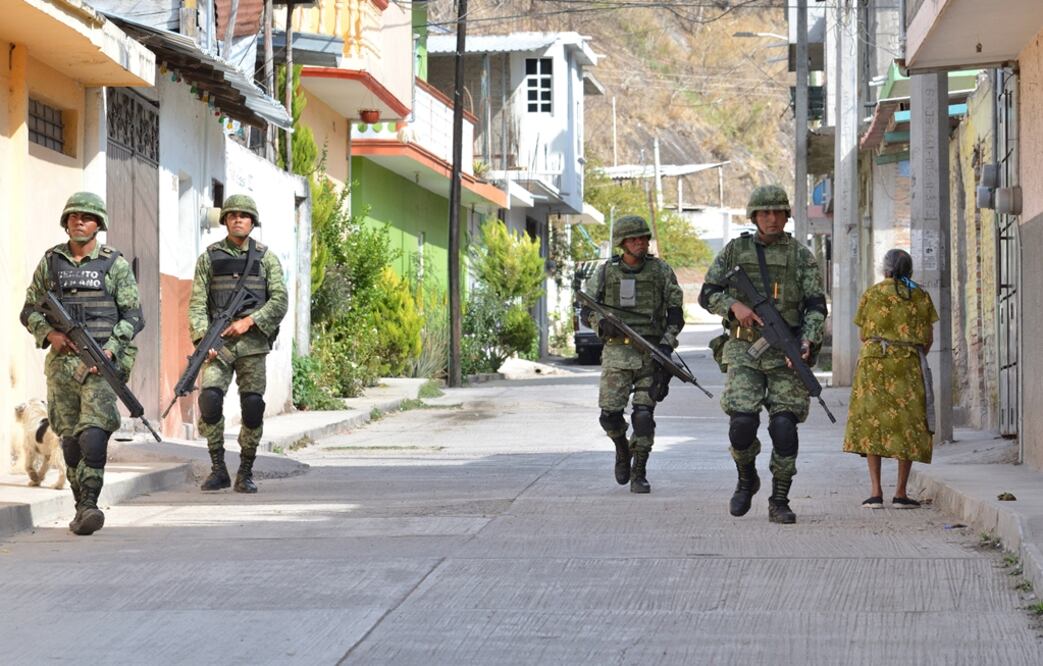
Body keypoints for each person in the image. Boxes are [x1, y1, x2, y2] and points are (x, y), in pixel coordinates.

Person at [698, 185, 827, 524]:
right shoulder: (734, 251)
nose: (771, 218)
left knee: (784, 427)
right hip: (744, 349)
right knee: (741, 422)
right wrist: (733, 306)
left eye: (778, 212)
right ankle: (746, 477)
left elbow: (816, 306)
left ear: (787, 216)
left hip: (786, 353)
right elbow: (707, 292)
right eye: (764, 212)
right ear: (754, 216)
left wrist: (807, 342)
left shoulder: (801, 256)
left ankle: (779, 498)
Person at [20, 192, 144, 535]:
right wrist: (50, 335)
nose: (79, 221)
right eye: (73, 216)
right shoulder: (51, 263)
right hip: (62, 367)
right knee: (71, 441)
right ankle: (80, 505)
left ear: (98, 225)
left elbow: (134, 316)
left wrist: (110, 349)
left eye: (86, 217)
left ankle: (90, 504)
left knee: (93, 435)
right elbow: (28, 310)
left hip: (100, 365)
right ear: (66, 221)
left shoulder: (114, 264)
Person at [189, 194, 287, 493]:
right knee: (210, 400)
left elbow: (280, 299)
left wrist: (250, 321)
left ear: (252, 221)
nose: (238, 219)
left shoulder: (266, 258)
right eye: (232, 215)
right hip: (219, 344)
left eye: (244, 215)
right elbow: (196, 305)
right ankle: (218, 467)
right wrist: (205, 340)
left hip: (253, 344)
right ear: (225, 221)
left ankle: (245, 471)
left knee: (253, 405)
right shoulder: (209, 257)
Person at [583, 215, 684, 494]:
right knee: (609, 416)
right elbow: (587, 309)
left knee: (643, 417)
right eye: (633, 239)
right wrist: (600, 324)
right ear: (622, 243)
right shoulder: (606, 272)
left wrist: (666, 344)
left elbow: (676, 313)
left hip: (650, 355)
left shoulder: (661, 271)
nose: (640, 243)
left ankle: (639, 470)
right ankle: (621, 448)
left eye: (643, 238)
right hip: (617, 353)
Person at [844, 249, 939, 508]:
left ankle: (875, 492)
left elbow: (864, 335)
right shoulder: (920, 295)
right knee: (906, 425)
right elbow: (928, 339)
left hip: (873, 365)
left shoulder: (872, 293)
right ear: (909, 271)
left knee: (872, 424)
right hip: (907, 365)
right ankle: (900, 493)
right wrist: (906, 352)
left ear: (885, 270)